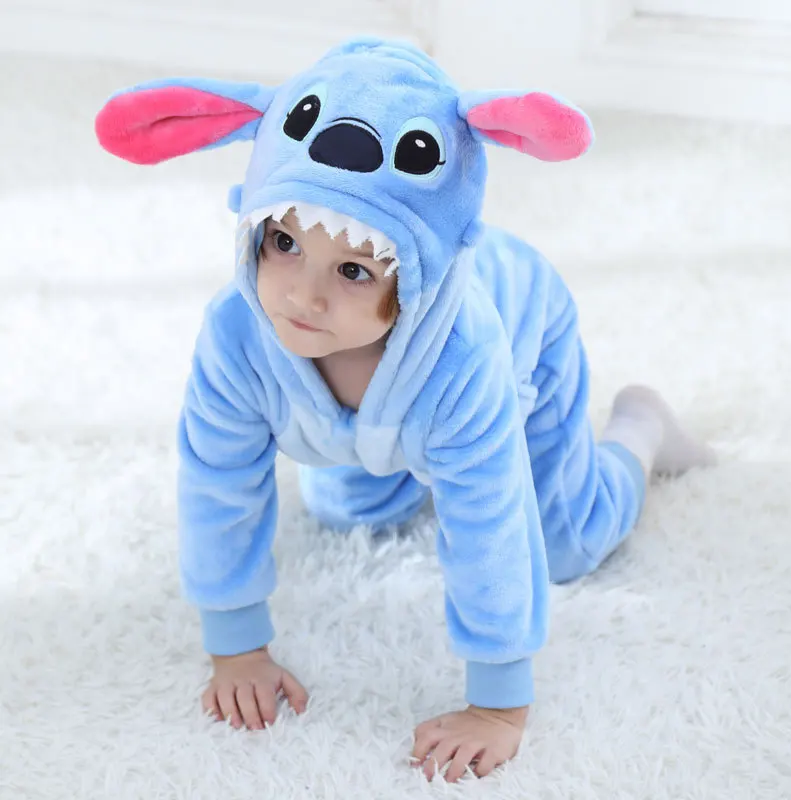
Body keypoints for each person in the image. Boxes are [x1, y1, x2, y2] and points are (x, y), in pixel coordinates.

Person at [95, 36, 715, 783]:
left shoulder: (466, 356)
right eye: (283, 241)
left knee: (566, 543)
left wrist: (498, 705)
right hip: (382, 418)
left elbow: (489, 517)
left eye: (353, 271)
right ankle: (401, 445)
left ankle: (641, 427)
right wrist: (236, 647)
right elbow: (216, 481)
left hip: (526, 326)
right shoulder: (236, 334)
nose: (303, 296)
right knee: (347, 508)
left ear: (413, 274)